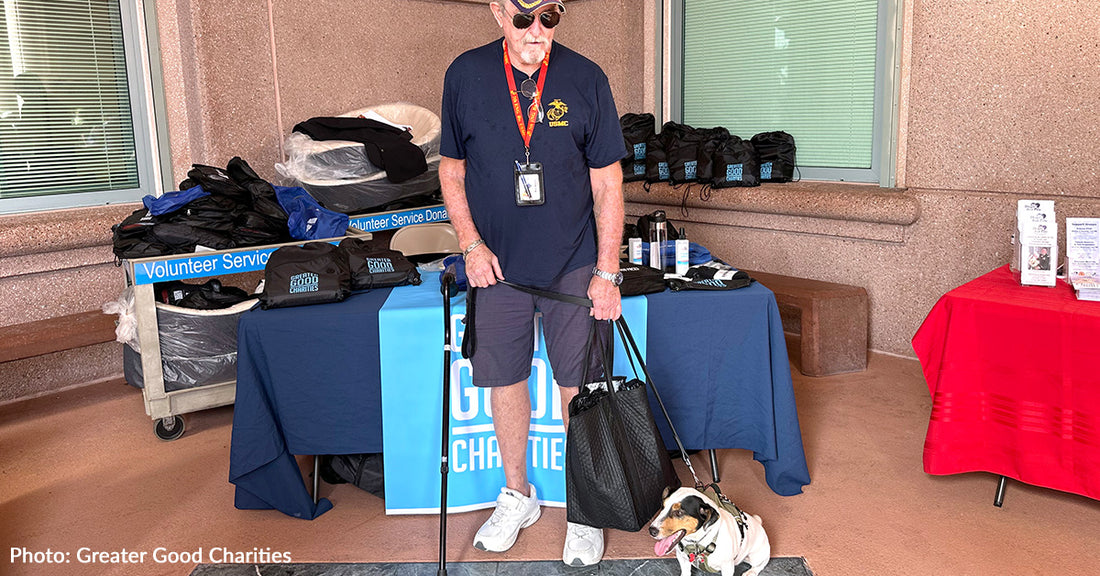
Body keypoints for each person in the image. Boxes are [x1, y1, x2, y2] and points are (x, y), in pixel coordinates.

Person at [438, 0, 626, 567]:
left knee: (580, 388)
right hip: (495, 266)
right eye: (524, 19)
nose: (537, 32)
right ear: (498, 12)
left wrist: (608, 271)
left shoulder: (587, 78)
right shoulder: (464, 75)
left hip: (572, 262)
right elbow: (451, 171)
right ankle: (517, 494)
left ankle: (587, 508)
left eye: (550, 17)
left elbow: (609, 185)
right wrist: (469, 246)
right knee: (504, 380)